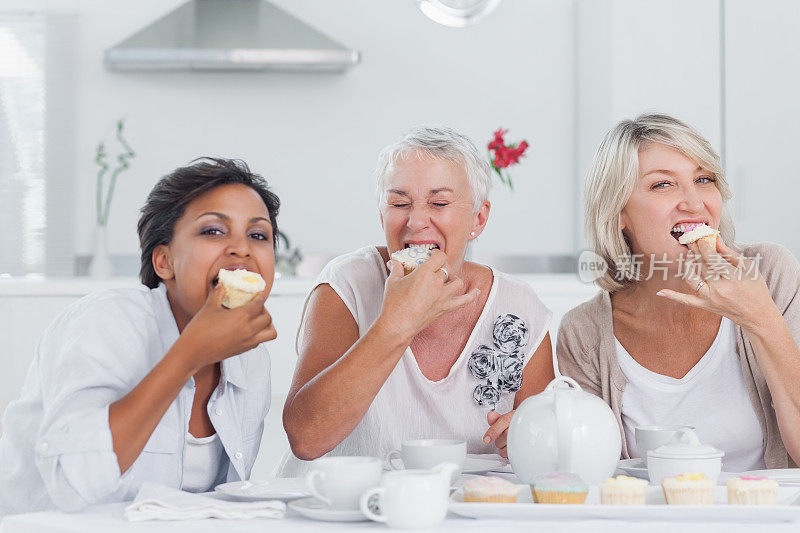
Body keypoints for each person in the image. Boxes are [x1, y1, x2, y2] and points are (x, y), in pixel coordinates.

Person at [0, 158, 280, 515]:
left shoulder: (249, 358)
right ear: (164, 262)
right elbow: (73, 487)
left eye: (258, 235)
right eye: (213, 231)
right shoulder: (105, 323)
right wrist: (189, 354)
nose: (241, 249)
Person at [278, 126, 555, 476]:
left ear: (478, 219)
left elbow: (549, 454)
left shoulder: (519, 308)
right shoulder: (346, 285)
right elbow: (306, 438)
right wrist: (399, 322)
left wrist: (528, 437)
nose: (416, 221)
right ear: (382, 216)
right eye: (399, 204)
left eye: (439, 203)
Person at [558, 113, 800, 471]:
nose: (694, 202)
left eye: (704, 179)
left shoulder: (770, 273)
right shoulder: (584, 332)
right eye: (662, 185)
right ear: (619, 211)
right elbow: (584, 476)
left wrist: (760, 317)